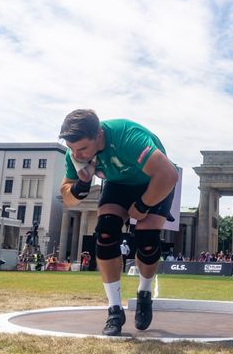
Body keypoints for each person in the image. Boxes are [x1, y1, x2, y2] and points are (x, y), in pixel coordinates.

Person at [59, 109, 178, 336]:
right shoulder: (74, 153)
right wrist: (80, 185)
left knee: (147, 240)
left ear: (99, 135)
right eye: (72, 149)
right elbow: (67, 198)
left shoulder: (126, 136)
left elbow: (169, 175)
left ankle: (144, 292)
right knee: (104, 234)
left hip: (155, 181)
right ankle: (114, 309)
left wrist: (143, 205)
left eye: (83, 148)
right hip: (119, 184)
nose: (77, 154)